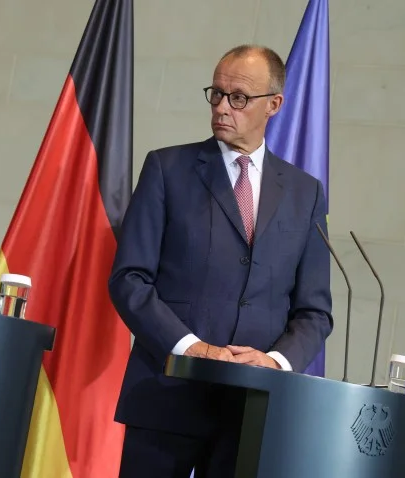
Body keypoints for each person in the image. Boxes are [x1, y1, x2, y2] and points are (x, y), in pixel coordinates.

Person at [108, 44, 333, 477]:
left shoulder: (305, 193)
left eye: (239, 98)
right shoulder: (166, 169)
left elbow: (314, 311)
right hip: (167, 393)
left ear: (274, 104)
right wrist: (193, 349)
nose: (222, 108)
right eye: (216, 93)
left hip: (251, 410)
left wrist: (275, 363)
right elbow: (129, 279)